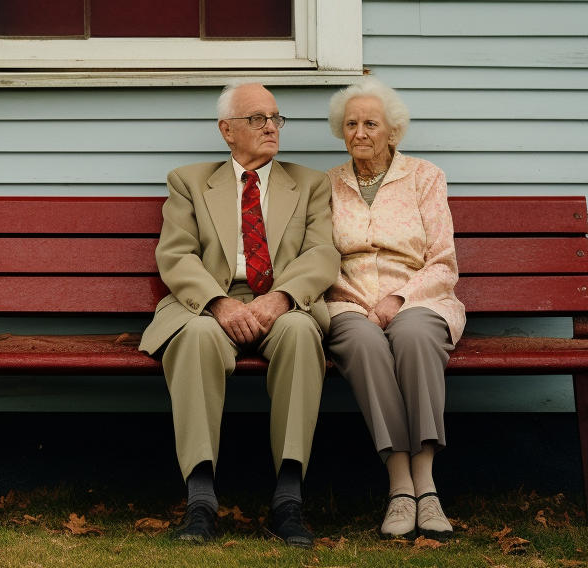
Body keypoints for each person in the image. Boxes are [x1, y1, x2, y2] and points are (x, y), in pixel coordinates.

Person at [140, 82, 341, 546]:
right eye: (258, 119)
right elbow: (177, 256)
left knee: (298, 333)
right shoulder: (189, 181)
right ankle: (201, 501)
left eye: (275, 118)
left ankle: (288, 501)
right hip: (210, 302)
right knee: (195, 337)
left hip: (283, 301)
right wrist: (218, 302)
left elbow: (320, 255)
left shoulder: (310, 184)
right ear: (226, 130)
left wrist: (282, 298)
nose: (271, 127)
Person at [323, 77, 465, 540]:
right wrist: (361, 304)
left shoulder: (425, 177)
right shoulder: (326, 185)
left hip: (419, 298)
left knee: (414, 335)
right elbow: (319, 257)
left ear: (392, 132)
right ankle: (400, 485)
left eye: (370, 123)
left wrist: (398, 300)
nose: (359, 133)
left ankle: (426, 484)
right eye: (350, 124)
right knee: (363, 343)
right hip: (348, 303)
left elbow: (442, 260)